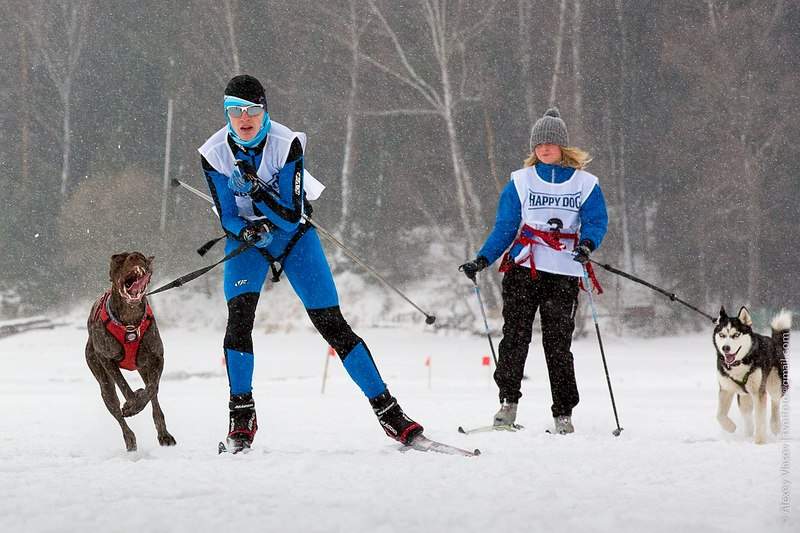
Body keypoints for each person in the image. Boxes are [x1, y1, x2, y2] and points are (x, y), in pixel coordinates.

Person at [199, 74, 423, 452]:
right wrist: (248, 232)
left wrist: (255, 189)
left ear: (264, 109)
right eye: (235, 111)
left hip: (294, 238)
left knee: (332, 324)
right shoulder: (213, 152)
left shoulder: (288, 143)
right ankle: (242, 415)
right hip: (249, 242)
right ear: (226, 114)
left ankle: (389, 412)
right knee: (239, 320)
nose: (245, 118)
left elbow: (291, 215)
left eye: (253, 109)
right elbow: (226, 215)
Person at [459, 107, 608, 434]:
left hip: (564, 272)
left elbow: (596, 222)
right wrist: (482, 259)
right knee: (514, 338)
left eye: (550, 143)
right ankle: (507, 405)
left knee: (558, 345)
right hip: (524, 269)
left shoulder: (585, 184)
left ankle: (563, 414)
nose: (544, 148)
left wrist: (587, 245)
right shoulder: (520, 181)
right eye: (539, 144)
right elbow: (505, 227)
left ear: (562, 146)